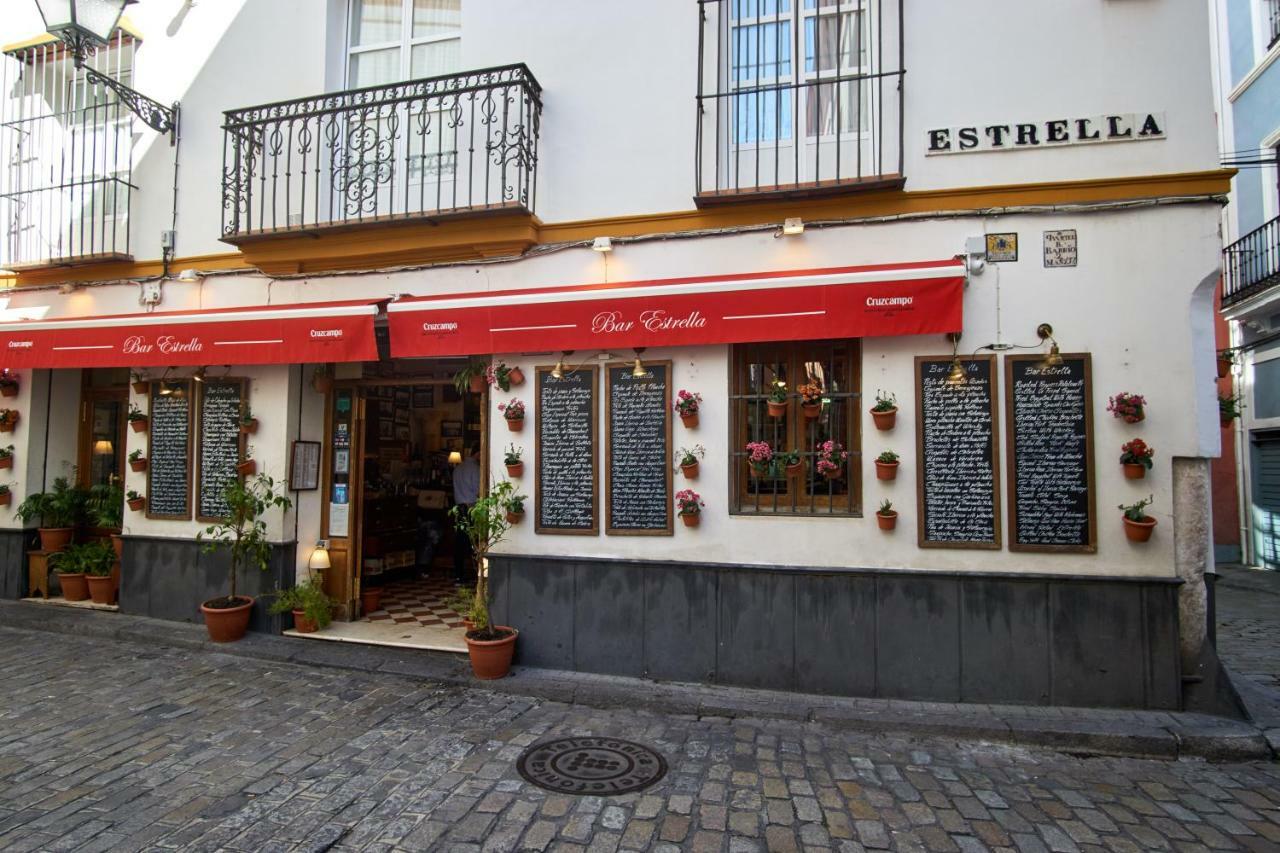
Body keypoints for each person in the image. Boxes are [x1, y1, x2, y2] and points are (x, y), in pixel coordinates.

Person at [452, 444, 481, 585]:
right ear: (479, 453)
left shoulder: (458, 468)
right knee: (472, 543)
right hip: (471, 508)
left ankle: (458, 574)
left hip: (458, 508)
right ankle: (475, 575)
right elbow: (478, 491)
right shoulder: (475, 469)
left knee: (459, 542)